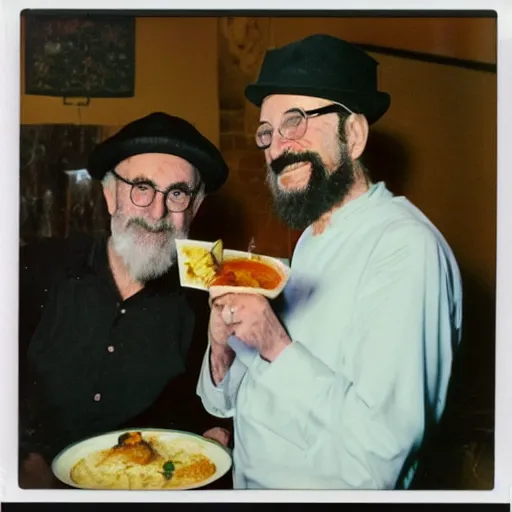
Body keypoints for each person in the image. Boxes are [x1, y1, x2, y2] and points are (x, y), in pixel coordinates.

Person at [197, 34, 463, 489]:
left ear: (353, 134)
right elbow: (240, 398)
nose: (277, 147)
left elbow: (379, 460)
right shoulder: (311, 240)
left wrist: (275, 344)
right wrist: (222, 348)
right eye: (268, 131)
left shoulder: (405, 248)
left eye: (295, 121)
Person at [19, 111, 229, 488]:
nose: (157, 211)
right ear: (110, 194)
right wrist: (20, 457)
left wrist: (217, 432)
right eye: (142, 187)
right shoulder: (35, 269)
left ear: (194, 209)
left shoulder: (208, 303)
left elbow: (214, 415)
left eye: (177, 193)